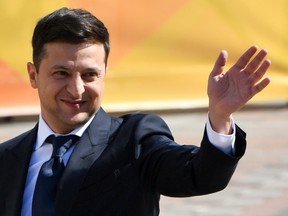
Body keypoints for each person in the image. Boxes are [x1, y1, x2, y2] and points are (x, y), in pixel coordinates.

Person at [0, 7, 271, 216]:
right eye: (61, 73)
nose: (77, 89)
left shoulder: (134, 139)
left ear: (105, 74)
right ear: (34, 75)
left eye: (90, 74)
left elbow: (199, 175)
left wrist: (220, 118)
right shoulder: (7, 158)